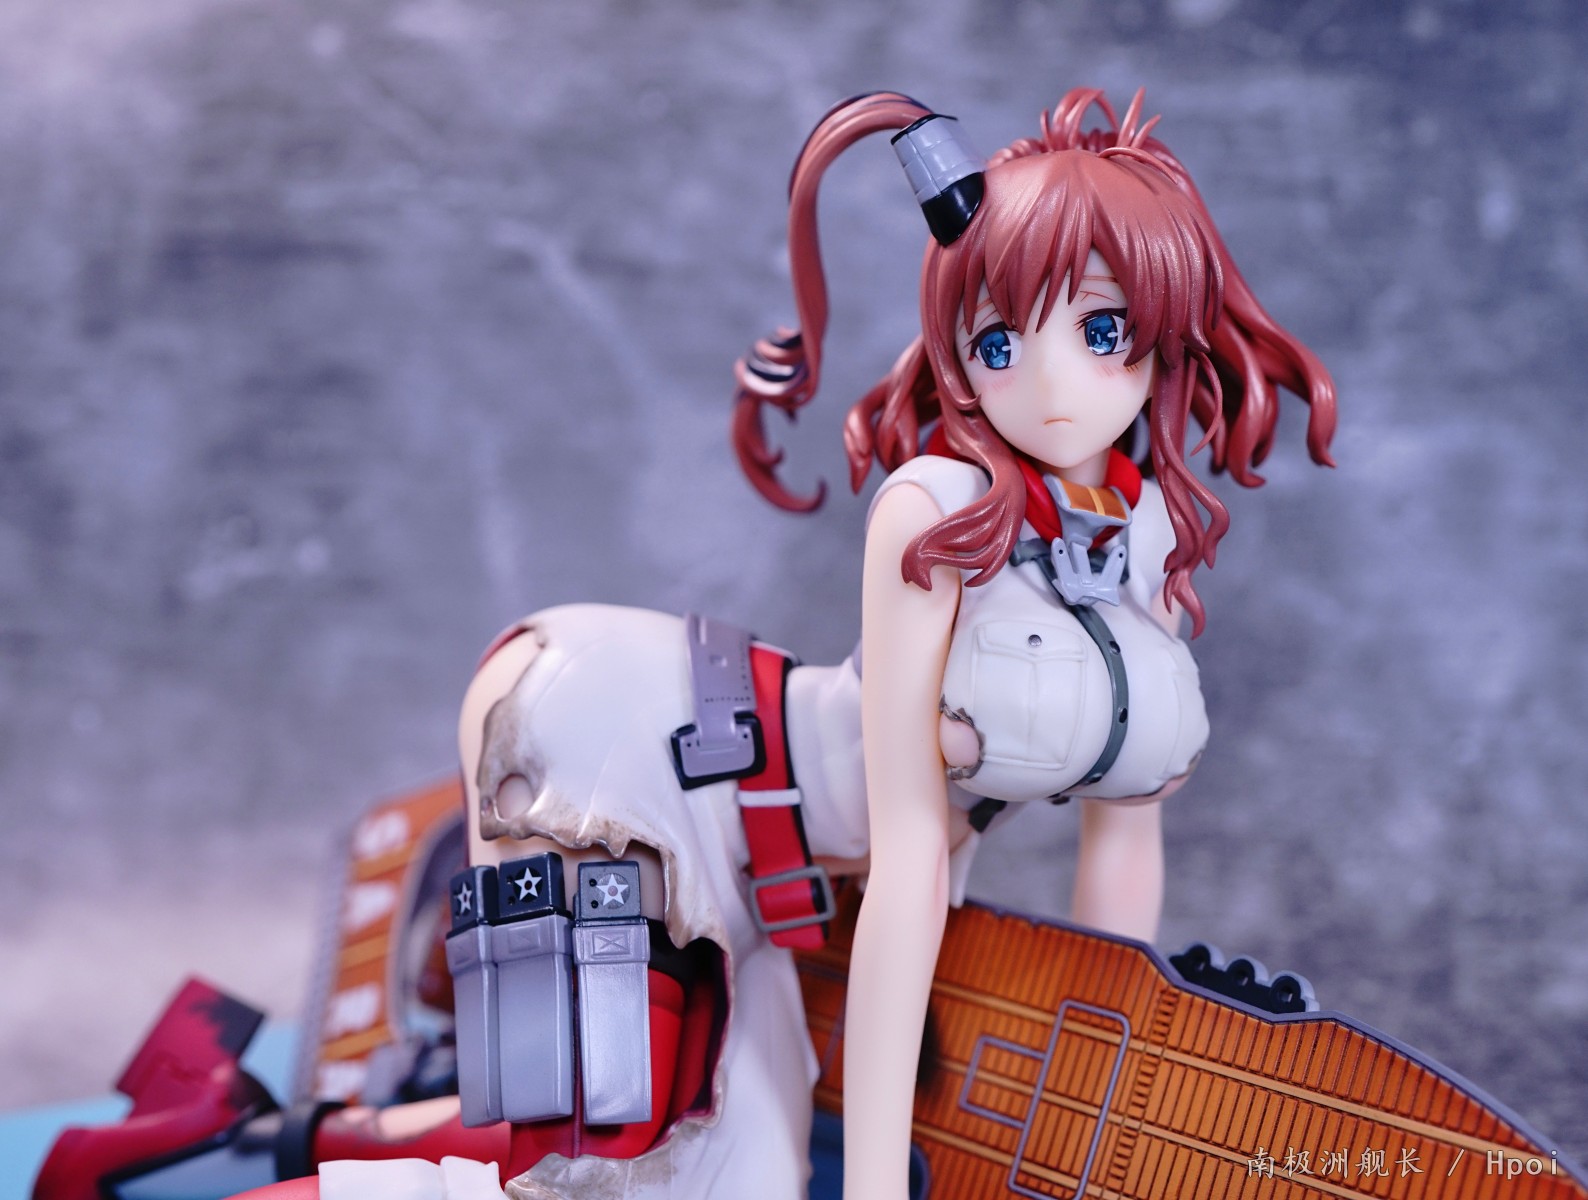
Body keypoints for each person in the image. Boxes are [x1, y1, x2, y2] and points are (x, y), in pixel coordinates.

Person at [730, 88, 1335, 1200]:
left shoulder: (1145, 524)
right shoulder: (934, 511)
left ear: (1158, 332)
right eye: (999, 343)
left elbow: (1126, 837)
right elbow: (908, 847)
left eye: (1099, 332)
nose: (1050, 389)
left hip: (906, 871)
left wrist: (1090, 1127)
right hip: (779, 815)